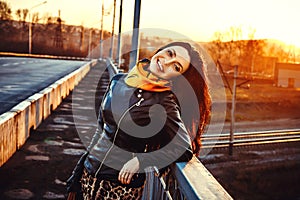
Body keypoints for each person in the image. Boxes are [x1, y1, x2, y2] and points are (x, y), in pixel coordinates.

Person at [67, 41, 211, 200]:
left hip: (119, 187)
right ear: (161, 50)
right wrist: (77, 173)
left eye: (176, 67)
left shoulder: (164, 102)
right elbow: (100, 130)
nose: (166, 62)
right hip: (88, 176)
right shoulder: (118, 81)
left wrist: (141, 161)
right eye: (169, 54)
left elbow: (183, 148)